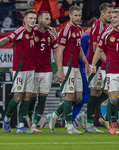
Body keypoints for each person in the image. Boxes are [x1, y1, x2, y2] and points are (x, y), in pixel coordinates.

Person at [46, 5, 90, 134]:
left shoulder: (80, 29)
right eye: (75, 15)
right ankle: (70, 126)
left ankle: (54, 115)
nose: (78, 18)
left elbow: (79, 49)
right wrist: (59, 70)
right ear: (70, 15)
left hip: (76, 67)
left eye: (79, 15)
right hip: (67, 66)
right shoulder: (66, 29)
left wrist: (86, 63)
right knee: (69, 96)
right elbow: (60, 50)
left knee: (78, 97)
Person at [0, 9, 36, 133]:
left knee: (27, 97)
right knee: (18, 97)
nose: (32, 20)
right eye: (30, 18)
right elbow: (7, 39)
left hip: (31, 69)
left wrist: (51, 28)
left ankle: (20, 127)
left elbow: (44, 26)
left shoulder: (35, 31)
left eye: (34, 18)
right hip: (20, 70)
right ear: (24, 19)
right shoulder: (20, 31)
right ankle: (7, 119)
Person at [78, 3, 113, 133]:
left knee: (106, 92)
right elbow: (95, 48)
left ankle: (85, 114)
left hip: (103, 64)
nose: (111, 15)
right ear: (102, 13)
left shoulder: (106, 26)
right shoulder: (98, 26)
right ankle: (88, 124)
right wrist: (109, 61)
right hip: (96, 64)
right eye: (109, 12)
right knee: (95, 93)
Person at [26, 11, 58, 133]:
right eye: (46, 19)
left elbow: (56, 51)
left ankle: (34, 125)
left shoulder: (52, 34)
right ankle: (29, 118)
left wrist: (58, 69)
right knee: (32, 98)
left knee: (43, 98)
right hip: (33, 70)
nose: (49, 21)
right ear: (39, 20)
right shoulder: (31, 31)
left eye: (49, 19)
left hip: (47, 70)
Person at [90, 8, 119, 135]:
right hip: (112, 71)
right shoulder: (107, 33)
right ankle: (112, 121)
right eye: (111, 17)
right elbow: (98, 50)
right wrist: (93, 65)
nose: (112, 20)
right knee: (112, 99)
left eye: (115, 17)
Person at [73, 17, 97, 127]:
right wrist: (86, 65)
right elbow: (78, 54)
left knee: (83, 95)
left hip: (82, 68)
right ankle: (65, 106)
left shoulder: (86, 35)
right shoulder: (86, 36)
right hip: (82, 69)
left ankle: (71, 119)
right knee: (88, 95)